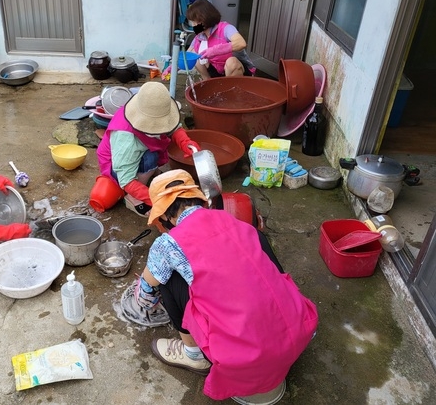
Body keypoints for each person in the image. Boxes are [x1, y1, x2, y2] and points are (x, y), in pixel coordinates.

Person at [128, 169, 318, 404]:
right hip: (297, 332)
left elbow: (147, 289)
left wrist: (144, 296)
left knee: (166, 277)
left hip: (243, 357)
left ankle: (193, 354)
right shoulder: (234, 222)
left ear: (165, 216)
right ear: (198, 199)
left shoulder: (169, 243)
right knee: (255, 252)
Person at [95, 82, 200, 217]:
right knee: (150, 158)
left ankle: (148, 173)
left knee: (151, 156)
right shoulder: (126, 139)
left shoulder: (148, 107)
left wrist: (185, 142)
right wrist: (158, 200)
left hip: (138, 150)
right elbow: (126, 180)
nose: (161, 127)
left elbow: (173, 127)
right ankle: (133, 198)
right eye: (155, 125)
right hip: (116, 165)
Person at [186, 0, 256, 80]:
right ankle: (208, 85)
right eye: (192, 22)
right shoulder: (200, 35)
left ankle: (235, 91)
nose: (194, 25)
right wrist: (172, 67)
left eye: (196, 22)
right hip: (217, 70)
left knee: (231, 62)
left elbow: (241, 43)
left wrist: (214, 51)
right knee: (195, 56)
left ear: (205, 18)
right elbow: (187, 55)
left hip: (238, 71)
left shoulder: (226, 28)